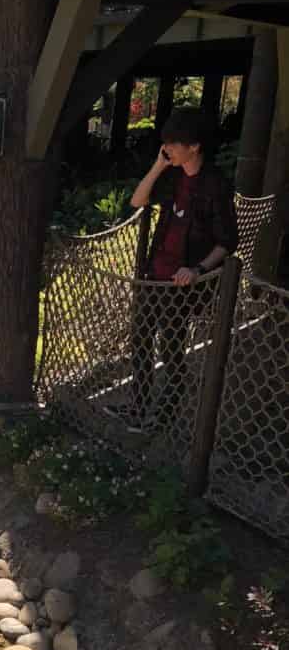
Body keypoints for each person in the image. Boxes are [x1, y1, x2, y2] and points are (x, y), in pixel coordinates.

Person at [108, 107, 238, 433]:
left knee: (171, 347)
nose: (167, 148)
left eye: (173, 143)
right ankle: (138, 406)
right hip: (154, 274)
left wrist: (197, 269)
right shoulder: (172, 176)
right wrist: (158, 167)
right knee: (140, 339)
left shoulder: (215, 185)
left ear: (194, 146)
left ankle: (165, 415)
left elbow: (227, 241)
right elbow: (137, 201)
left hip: (182, 282)